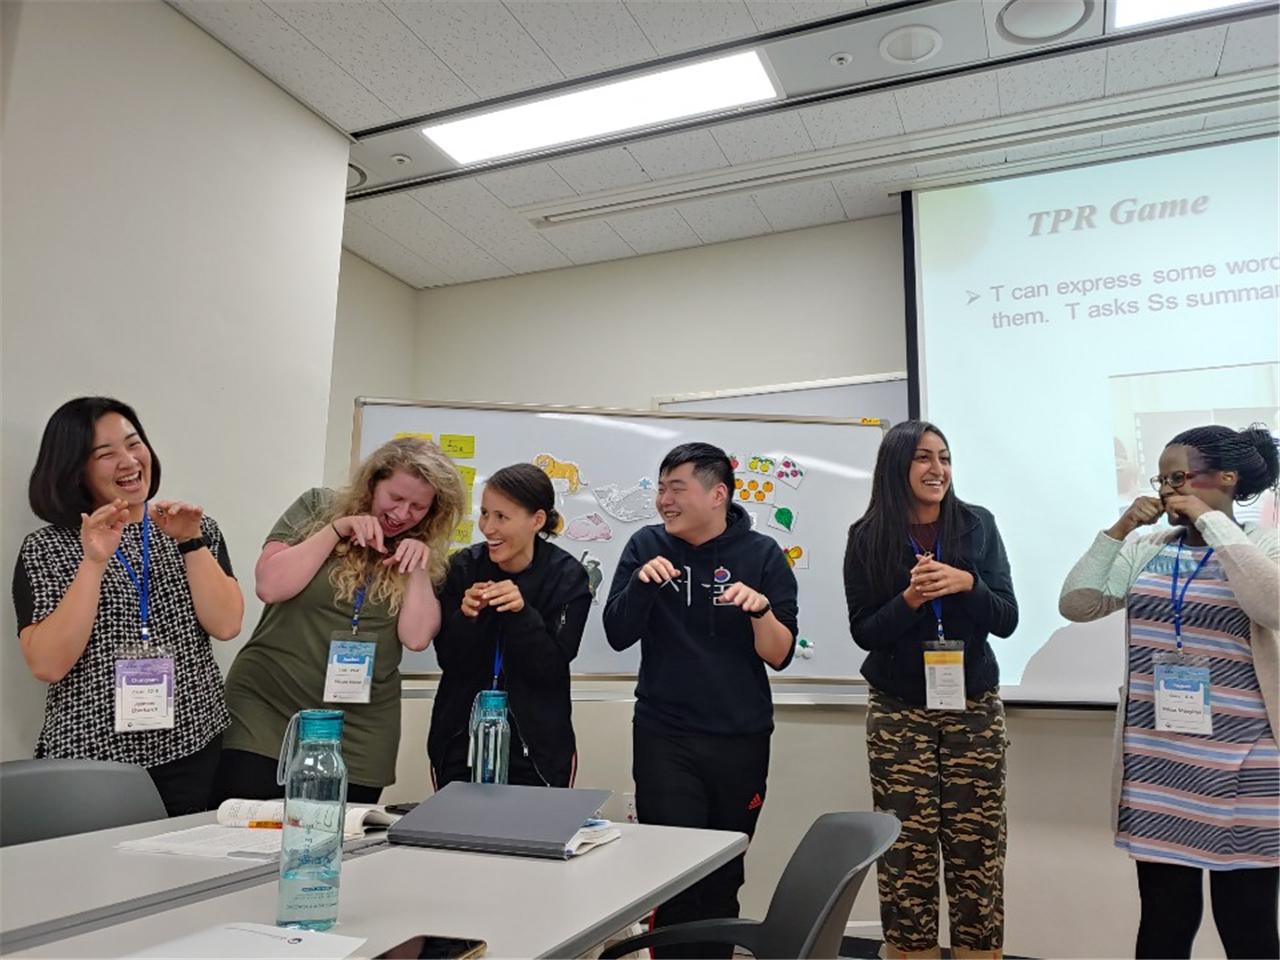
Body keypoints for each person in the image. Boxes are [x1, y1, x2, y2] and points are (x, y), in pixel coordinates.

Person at [1060, 424, 1279, 959]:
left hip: (1244, 768)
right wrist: (1119, 529)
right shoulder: (1150, 547)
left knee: (1247, 925)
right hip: (1158, 766)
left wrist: (1209, 520)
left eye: (1178, 478)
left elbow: (1271, 606)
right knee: (1163, 920)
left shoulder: (1262, 546)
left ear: (1226, 479)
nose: (1165, 491)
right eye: (1161, 480)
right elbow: (1078, 603)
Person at [603, 442, 798, 959]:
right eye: (660, 489)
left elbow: (779, 654)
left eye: (676, 488)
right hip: (664, 735)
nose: (664, 500)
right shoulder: (646, 545)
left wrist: (760, 612)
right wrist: (641, 586)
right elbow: (617, 634)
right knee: (673, 872)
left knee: (723, 872)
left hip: (741, 738)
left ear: (717, 495)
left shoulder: (762, 555)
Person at [13, 397, 242, 815]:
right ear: (74, 469)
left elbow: (226, 625)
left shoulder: (193, 527)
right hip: (90, 755)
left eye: (134, 443)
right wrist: (93, 561)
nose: (129, 460)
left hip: (191, 743)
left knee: (182, 857)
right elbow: (48, 664)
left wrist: (190, 541)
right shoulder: (47, 547)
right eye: (105, 453)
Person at [843, 420, 1017, 960]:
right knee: (905, 851)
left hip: (973, 707)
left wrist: (968, 585)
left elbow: (1007, 618)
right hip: (899, 712)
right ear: (897, 466)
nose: (937, 468)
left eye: (944, 457)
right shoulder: (867, 536)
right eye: (923, 457)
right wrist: (911, 601)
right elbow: (864, 631)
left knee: (977, 848)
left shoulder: (978, 525)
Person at [212, 437, 464, 805]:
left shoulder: (424, 554)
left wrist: (418, 568)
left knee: (339, 832)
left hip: (359, 727)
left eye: (418, 507)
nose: (401, 514)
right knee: (243, 826)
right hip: (267, 709)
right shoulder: (317, 507)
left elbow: (416, 638)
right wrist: (336, 530)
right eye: (395, 497)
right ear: (372, 483)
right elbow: (270, 586)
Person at [428, 463, 592, 788]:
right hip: (461, 742)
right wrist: (468, 617)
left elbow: (551, 668)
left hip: (538, 750)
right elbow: (449, 659)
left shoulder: (566, 576)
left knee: (534, 821)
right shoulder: (462, 568)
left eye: (502, 517)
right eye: (484, 514)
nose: (488, 528)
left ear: (537, 520)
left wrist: (521, 614)